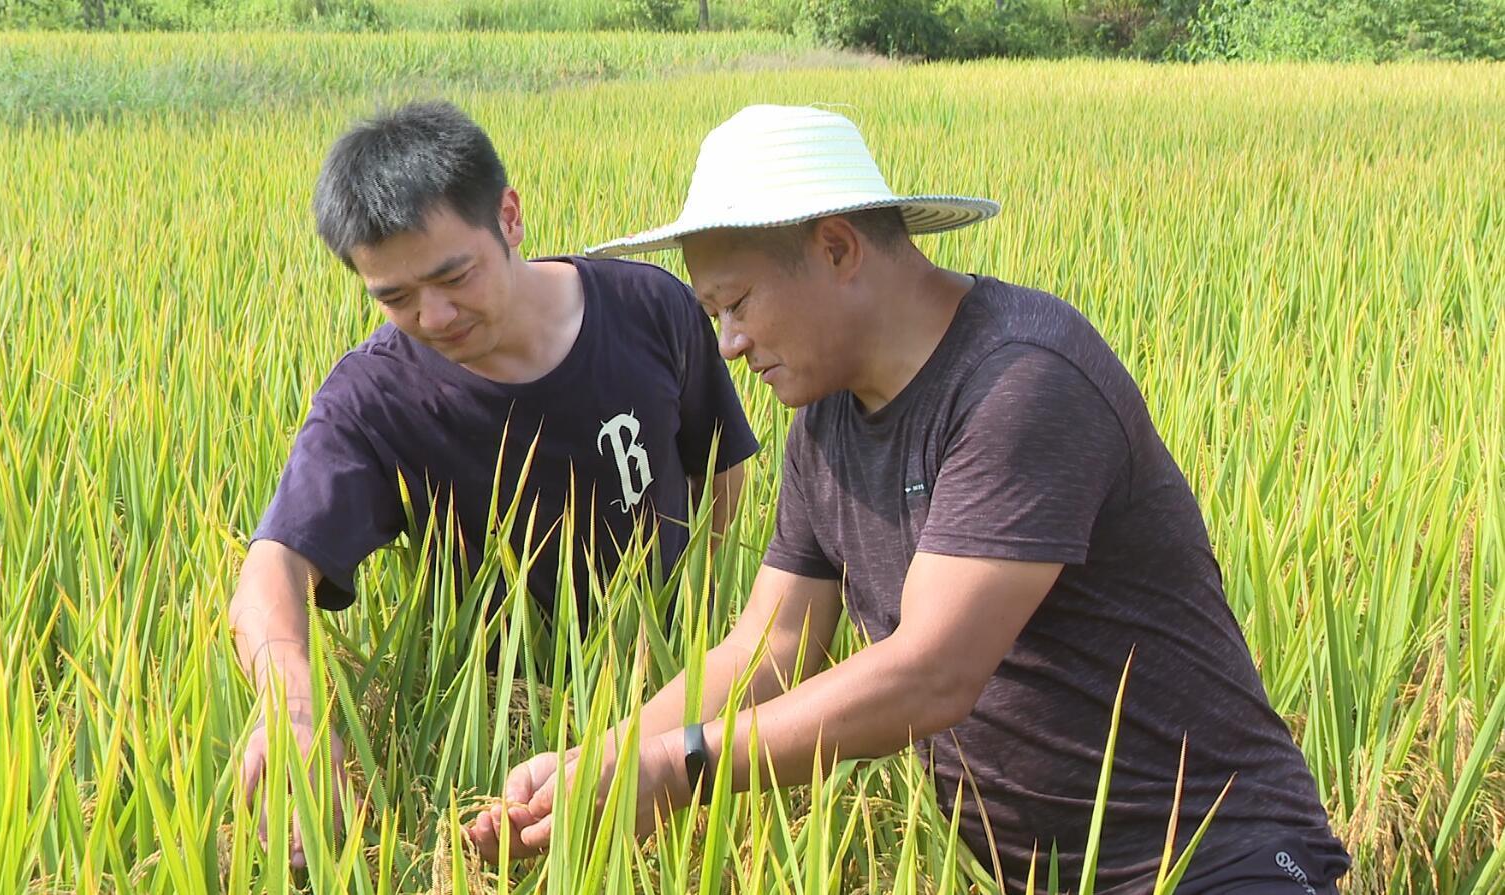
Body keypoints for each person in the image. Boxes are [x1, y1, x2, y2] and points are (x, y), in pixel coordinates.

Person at [467, 105, 1349, 895]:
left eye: (735, 305)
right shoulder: (825, 420)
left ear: (839, 249)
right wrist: (600, 759)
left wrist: (684, 765)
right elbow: (769, 645)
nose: (729, 346)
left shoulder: (1021, 384)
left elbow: (932, 670)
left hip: (1213, 857)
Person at [230, 100, 759, 868]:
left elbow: (720, 465)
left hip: (672, 687)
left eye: (453, 276)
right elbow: (272, 567)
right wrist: (296, 709)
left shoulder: (651, 307)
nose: (434, 315)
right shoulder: (373, 400)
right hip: (493, 721)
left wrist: (703, 614)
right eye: (394, 297)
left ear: (508, 217)